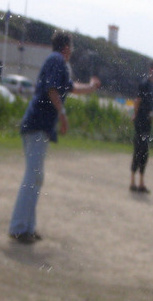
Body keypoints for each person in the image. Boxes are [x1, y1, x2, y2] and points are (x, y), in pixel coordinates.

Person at [8, 31, 100, 244]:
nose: (72, 50)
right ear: (66, 47)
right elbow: (51, 90)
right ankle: (19, 227)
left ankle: (27, 227)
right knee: (33, 177)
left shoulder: (58, 64)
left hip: (40, 126)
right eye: (71, 46)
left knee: (35, 177)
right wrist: (63, 115)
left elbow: (72, 88)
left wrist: (91, 87)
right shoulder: (56, 60)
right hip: (37, 125)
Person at [130, 61, 153, 193]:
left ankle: (141, 182)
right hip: (141, 122)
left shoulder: (152, 86)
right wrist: (135, 115)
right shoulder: (144, 84)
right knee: (139, 149)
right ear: (150, 70)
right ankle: (132, 181)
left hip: (147, 123)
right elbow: (137, 101)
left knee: (145, 151)